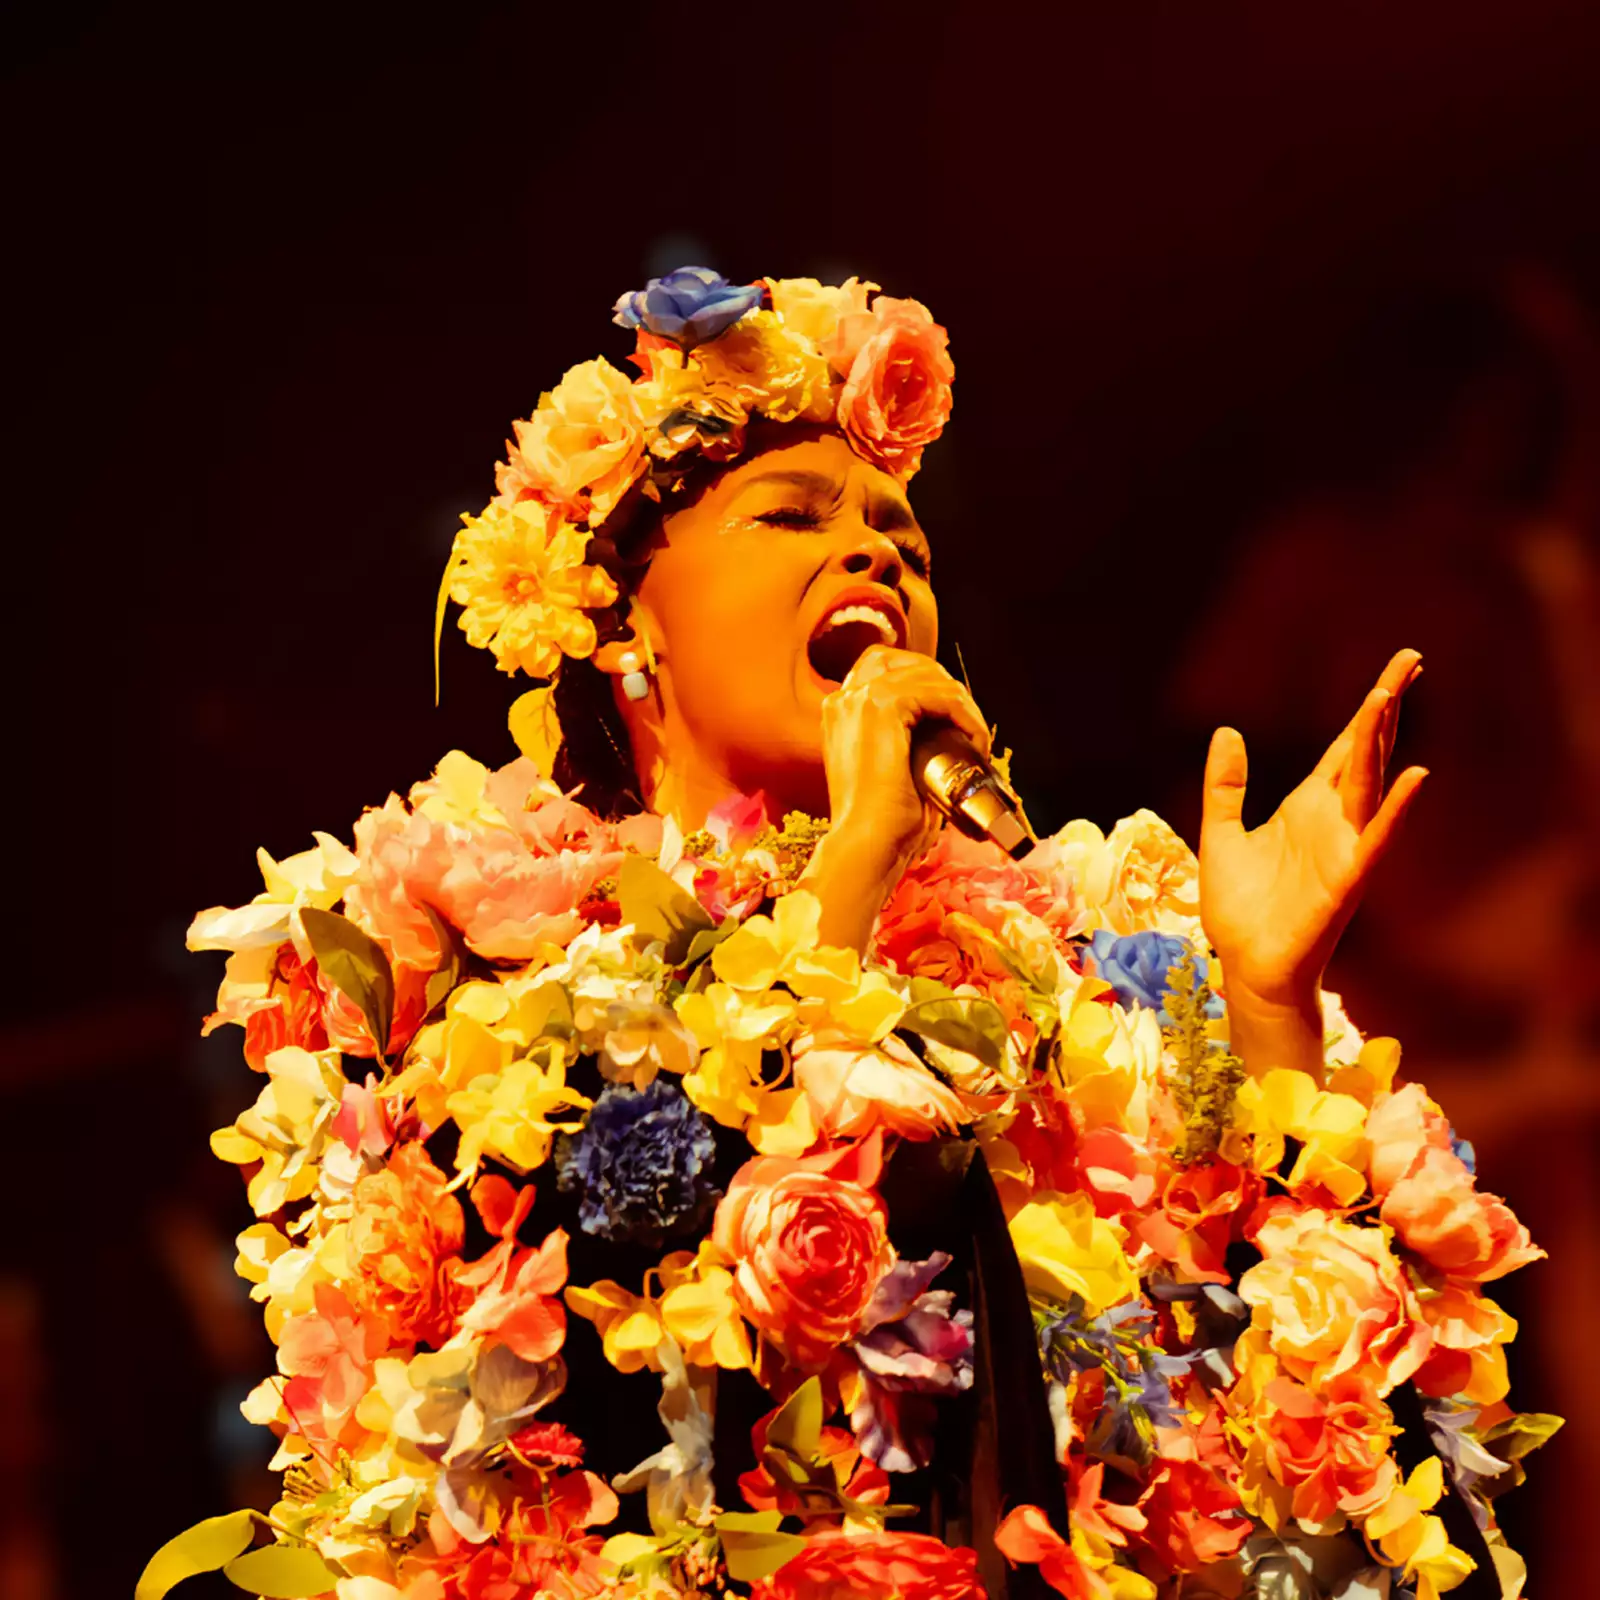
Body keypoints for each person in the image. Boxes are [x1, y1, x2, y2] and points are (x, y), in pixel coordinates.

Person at [155, 269, 1548, 1600]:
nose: (873, 546)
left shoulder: (1083, 963)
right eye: (792, 516)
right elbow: (615, 1374)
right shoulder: (482, 951)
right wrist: (852, 874)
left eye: (902, 536)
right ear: (623, 625)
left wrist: (1261, 1007)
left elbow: (1249, 1455)